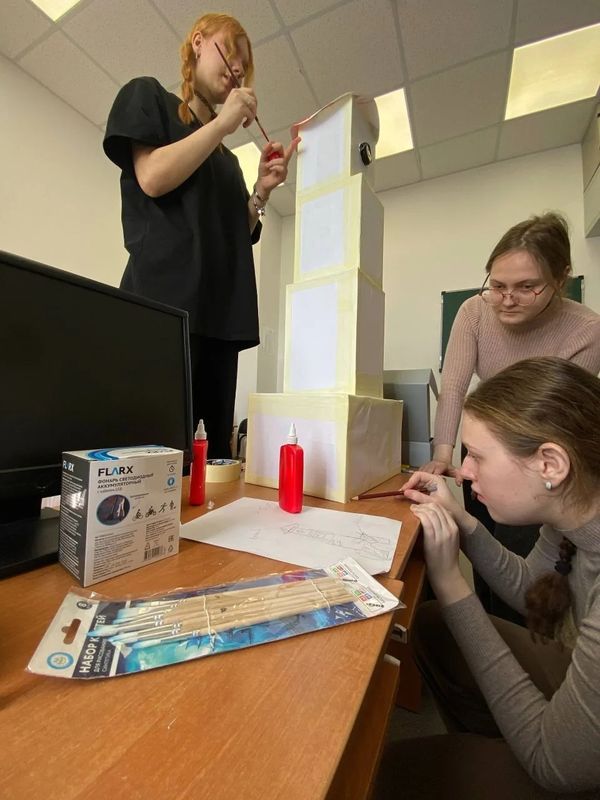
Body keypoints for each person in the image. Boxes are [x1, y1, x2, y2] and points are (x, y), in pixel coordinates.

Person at [375, 357, 600, 799]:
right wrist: (463, 522)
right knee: (435, 625)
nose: (464, 471)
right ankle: (504, 749)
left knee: (395, 776)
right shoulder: (575, 510)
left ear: (550, 464)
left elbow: (555, 767)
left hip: (563, 767)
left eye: (477, 456)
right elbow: (534, 588)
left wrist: (451, 583)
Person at [103, 13, 299, 458]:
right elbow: (152, 177)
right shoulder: (148, 96)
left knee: (210, 462)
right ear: (197, 42)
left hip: (219, 321)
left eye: (244, 64)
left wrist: (261, 192)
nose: (237, 68)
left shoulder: (228, 163)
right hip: (161, 312)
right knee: (151, 453)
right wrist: (221, 126)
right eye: (229, 51)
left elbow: (237, 234)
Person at [421, 213, 600, 622]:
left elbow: (550, 418)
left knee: (522, 571)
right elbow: (454, 387)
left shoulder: (587, 330)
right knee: (484, 552)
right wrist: (444, 455)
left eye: (526, 287)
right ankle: (490, 625)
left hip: (531, 457)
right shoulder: (473, 311)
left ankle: (517, 636)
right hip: (486, 447)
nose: (506, 299)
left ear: (561, 278)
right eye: (498, 286)